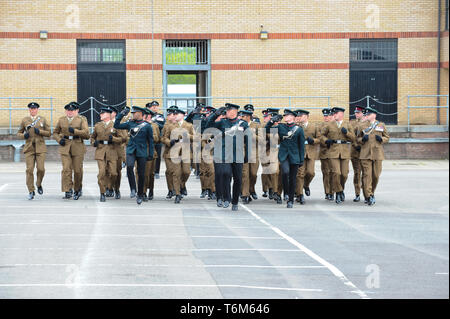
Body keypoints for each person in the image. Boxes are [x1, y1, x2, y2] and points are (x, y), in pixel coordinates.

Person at [206, 103, 251, 211]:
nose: (227, 112)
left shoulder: (243, 124)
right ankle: (226, 198)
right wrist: (214, 114)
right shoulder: (222, 122)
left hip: (238, 155)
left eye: (229, 110)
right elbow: (208, 126)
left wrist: (247, 155)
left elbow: (248, 140)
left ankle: (235, 201)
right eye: (226, 110)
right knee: (225, 173)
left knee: (238, 179)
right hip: (225, 154)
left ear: (235, 111)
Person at [114, 106, 154, 205]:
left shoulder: (147, 126)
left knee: (141, 174)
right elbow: (116, 125)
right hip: (131, 150)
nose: (132, 114)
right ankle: (133, 189)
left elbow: (151, 141)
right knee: (129, 167)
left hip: (142, 151)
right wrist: (122, 114)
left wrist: (151, 154)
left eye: (134, 113)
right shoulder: (130, 123)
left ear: (140, 114)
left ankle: (140, 194)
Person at [265, 109, 305, 208]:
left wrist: (301, 160)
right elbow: (266, 130)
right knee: (285, 172)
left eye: (287, 115)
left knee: (292, 178)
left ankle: (290, 200)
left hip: (295, 156)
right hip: (284, 155)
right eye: (284, 115)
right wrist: (271, 121)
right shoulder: (280, 126)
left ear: (292, 117)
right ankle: (286, 192)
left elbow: (301, 146)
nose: (285, 117)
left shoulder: (298, 129)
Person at [53, 102, 90, 200]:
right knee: (66, 169)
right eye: (68, 110)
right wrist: (59, 140)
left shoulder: (81, 120)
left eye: (72, 110)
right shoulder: (62, 120)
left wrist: (75, 131)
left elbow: (87, 134)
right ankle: (67, 190)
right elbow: (55, 132)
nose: (70, 112)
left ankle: (77, 189)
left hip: (77, 145)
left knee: (77, 170)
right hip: (65, 146)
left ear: (77, 111)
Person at [320, 107, 355, 204]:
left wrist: (346, 133)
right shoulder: (329, 125)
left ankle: (340, 189)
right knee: (336, 173)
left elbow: (353, 139)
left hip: (344, 151)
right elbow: (321, 136)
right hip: (333, 151)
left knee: (344, 174)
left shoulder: (348, 124)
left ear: (341, 114)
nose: (333, 115)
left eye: (335, 113)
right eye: (333, 113)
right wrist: (326, 140)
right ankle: (338, 192)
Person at [17, 102, 51, 200]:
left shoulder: (42, 119)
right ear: (29, 110)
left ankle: (39, 183)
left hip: (40, 147)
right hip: (29, 148)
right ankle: (31, 190)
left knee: (41, 169)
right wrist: (24, 136)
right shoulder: (25, 120)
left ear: (37, 109)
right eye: (31, 109)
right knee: (29, 170)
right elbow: (18, 133)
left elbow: (49, 133)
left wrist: (39, 131)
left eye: (35, 108)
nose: (33, 110)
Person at [357, 106, 389, 205]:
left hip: (377, 154)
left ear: (374, 115)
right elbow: (357, 139)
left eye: (369, 114)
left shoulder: (381, 125)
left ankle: (371, 192)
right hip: (365, 154)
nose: (366, 116)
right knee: (367, 175)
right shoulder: (362, 125)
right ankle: (369, 195)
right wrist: (363, 140)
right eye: (365, 114)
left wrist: (382, 139)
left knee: (376, 175)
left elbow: (387, 137)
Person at [161, 105, 193, 204]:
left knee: (186, 172)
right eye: (173, 114)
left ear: (182, 115)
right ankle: (177, 193)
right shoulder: (170, 126)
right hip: (174, 152)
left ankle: (182, 184)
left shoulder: (189, 125)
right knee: (176, 173)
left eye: (177, 114)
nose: (174, 116)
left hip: (186, 153)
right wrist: (170, 142)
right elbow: (163, 138)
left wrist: (188, 136)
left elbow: (196, 137)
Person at [90, 107, 123, 202]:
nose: (100, 115)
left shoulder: (116, 125)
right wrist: (94, 142)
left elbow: (122, 139)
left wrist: (113, 139)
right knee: (101, 173)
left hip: (112, 151)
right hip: (100, 151)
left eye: (102, 113)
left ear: (108, 115)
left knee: (114, 173)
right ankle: (102, 192)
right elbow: (92, 137)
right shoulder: (98, 125)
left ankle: (113, 187)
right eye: (100, 113)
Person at [294, 109, 321, 205]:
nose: (299, 117)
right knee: (300, 174)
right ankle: (300, 194)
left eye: (302, 116)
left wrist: (313, 140)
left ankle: (306, 185)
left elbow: (320, 138)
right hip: (299, 153)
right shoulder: (296, 127)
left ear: (307, 117)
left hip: (310, 153)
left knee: (310, 172)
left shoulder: (314, 126)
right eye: (298, 116)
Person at [108, 105, 128, 199]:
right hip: (106, 151)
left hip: (117, 151)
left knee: (116, 172)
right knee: (106, 171)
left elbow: (124, 138)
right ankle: (109, 188)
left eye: (110, 112)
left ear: (114, 113)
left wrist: (114, 139)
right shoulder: (103, 123)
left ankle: (116, 189)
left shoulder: (120, 123)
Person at [350, 106, 365, 202]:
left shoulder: (368, 123)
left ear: (363, 113)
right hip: (355, 151)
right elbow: (351, 136)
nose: (356, 114)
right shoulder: (352, 123)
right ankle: (357, 193)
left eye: (358, 113)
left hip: (366, 152)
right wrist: (355, 145)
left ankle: (367, 193)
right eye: (355, 112)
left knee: (367, 174)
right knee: (357, 173)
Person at [146, 101, 165, 180]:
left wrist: (153, 122)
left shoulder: (160, 116)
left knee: (157, 156)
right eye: (153, 106)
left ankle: (157, 171)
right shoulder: (147, 115)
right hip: (149, 138)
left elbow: (162, 125)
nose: (154, 107)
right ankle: (149, 170)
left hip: (158, 138)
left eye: (156, 106)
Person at [319, 108, 334, 201]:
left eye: (328, 116)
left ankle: (333, 191)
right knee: (326, 173)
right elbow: (319, 137)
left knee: (334, 173)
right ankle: (328, 192)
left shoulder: (336, 125)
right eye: (324, 116)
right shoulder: (320, 126)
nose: (326, 117)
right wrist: (325, 141)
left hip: (334, 152)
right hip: (324, 152)